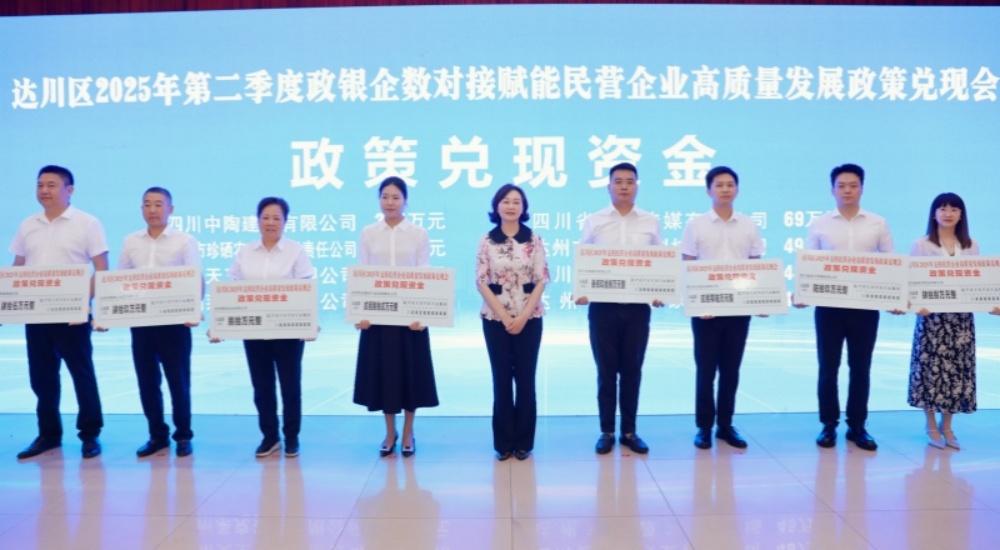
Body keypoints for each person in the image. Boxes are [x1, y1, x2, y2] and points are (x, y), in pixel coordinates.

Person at [10, 165, 108, 460]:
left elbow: (101, 269)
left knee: (82, 375)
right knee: (42, 378)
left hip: (72, 316)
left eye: (51, 185)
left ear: (69, 189)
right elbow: (18, 268)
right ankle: (49, 435)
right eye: (40, 185)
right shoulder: (28, 224)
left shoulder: (87, 223)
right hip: (37, 315)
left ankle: (89, 434)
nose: (44, 190)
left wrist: (82, 302)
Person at [801, 163, 896, 451]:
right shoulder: (820, 223)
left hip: (865, 308)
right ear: (832, 190)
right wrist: (803, 292)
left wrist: (894, 297)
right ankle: (828, 424)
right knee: (828, 367)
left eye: (853, 185)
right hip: (829, 307)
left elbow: (890, 263)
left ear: (862, 189)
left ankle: (858, 426)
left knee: (861, 367)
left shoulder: (877, 223)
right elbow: (809, 263)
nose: (847, 190)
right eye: (841, 186)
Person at [575, 162, 663, 455]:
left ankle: (629, 431)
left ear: (637, 186)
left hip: (637, 308)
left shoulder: (650, 221)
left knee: (632, 370)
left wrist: (659, 291)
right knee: (606, 371)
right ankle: (606, 431)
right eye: (618, 181)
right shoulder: (595, 221)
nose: (624, 186)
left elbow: (659, 262)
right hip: (603, 308)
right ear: (608, 186)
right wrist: (582, 290)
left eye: (629, 181)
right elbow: (584, 261)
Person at [353, 176, 438, 458]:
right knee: (385, 377)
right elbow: (363, 273)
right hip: (379, 319)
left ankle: (409, 431)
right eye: (385, 196)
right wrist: (361, 313)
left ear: (405, 201)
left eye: (395, 197)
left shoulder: (418, 233)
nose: (390, 202)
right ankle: (390, 432)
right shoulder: (368, 233)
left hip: (410, 320)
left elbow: (424, 273)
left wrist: (421, 313)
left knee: (411, 376)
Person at [680, 166, 764, 450]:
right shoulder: (696, 225)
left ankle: (725, 425)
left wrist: (760, 299)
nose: (725, 189)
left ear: (737, 190)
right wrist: (696, 303)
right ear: (709, 191)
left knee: (731, 369)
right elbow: (688, 265)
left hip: (738, 310)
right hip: (706, 311)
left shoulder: (749, 225)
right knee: (705, 370)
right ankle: (704, 426)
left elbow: (756, 266)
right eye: (719, 185)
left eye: (730, 184)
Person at [227, 197, 315, 458]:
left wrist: (308, 324)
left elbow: (305, 289)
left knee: (290, 386)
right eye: (266, 217)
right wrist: (221, 324)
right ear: (257, 220)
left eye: (277, 218)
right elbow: (232, 289)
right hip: (254, 330)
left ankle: (292, 437)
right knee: (262, 386)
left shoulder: (296, 251)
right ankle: (269, 437)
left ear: (285, 222)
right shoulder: (245, 252)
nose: (271, 222)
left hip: (288, 331)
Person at [117, 187, 201, 458]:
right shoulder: (131, 241)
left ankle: (183, 435)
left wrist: (194, 310)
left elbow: (195, 279)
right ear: (141, 209)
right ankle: (157, 435)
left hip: (175, 324)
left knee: (178, 382)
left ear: (170, 209)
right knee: (147, 381)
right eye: (147, 204)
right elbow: (120, 280)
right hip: (142, 322)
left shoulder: (184, 241)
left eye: (158, 204)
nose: (152, 209)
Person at [908, 192, 994, 449]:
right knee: (930, 370)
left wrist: (991, 302)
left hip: (961, 320)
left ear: (961, 215)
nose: (948, 214)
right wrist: (916, 305)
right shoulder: (922, 245)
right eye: (943, 209)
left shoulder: (971, 245)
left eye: (954, 209)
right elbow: (910, 283)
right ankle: (930, 425)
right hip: (932, 319)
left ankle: (947, 425)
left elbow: (978, 282)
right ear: (934, 213)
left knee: (956, 372)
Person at [476, 183, 549, 461]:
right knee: (502, 379)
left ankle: (524, 443)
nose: (510, 206)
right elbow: (481, 281)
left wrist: (523, 316)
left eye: (516, 201)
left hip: (530, 319)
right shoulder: (487, 240)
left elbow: (541, 279)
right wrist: (506, 317)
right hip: (495, 320)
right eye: (505, 201)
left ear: (523, 207)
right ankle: (504, 443)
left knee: (526, 379)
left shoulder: (534, 239)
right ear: (497, 206)